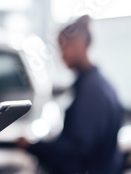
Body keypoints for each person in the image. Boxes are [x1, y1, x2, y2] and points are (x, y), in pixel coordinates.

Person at [16, 15, 124, 174]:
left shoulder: (91, 91)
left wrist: (32, 146)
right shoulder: (98, 84)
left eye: (63, 47)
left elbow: (76, 150)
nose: (61, 55)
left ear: (78, 45)